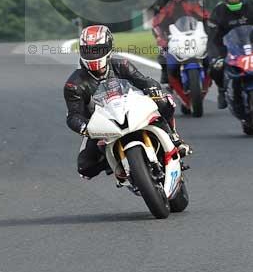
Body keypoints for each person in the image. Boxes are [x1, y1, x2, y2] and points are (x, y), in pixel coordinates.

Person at [64, 24, 191, 180]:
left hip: (132, 109)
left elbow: (144, 81)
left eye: (97, 50)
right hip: (101, 124)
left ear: (109, 46)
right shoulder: (74, 84)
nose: (93, 55)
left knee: (165, 102)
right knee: (85, 168)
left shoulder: (121, 65)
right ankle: (116, 165)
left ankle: (174, 138)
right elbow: (73, 115)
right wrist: (85, 127)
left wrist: (154, 90)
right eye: (89, 51)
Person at [151, 0, 210, 85]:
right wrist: (161, 38)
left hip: (192, 32)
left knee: (210, 54)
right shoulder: (162, 1)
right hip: (170, 34)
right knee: (164, 55)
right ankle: (167, 76)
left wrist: (208, 33)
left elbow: (205, 16)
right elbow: (156, 23)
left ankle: (210, 77)